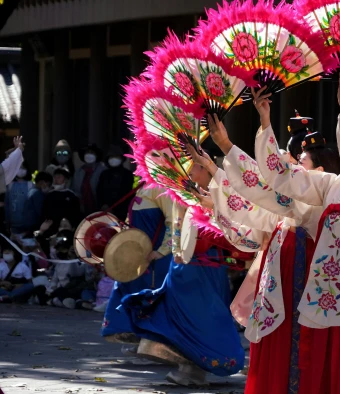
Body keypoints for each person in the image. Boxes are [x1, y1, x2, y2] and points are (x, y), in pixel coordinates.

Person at [251, 70, 340, 394]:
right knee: (322, 366)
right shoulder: (332, 185)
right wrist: (265, 122)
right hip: (325, 289)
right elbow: (283, 177)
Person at [187, 117, 339, 394]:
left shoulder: (317, 204)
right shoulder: (285, 212)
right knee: (274, 354)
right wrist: (213, 195)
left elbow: (260, 188)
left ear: (319, 173)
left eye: (299, 164)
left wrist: (224, 145)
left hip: (300, 293)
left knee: (295, 358)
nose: (292, 168)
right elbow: (248, 229)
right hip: (274, 296)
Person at [121, 154, 251, 387]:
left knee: (203, 317)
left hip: (207, 266)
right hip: (184, 264)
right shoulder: (185, 191)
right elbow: (177, 223)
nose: (189, 172)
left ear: (204, 167)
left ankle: (195, 370)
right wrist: (175, 249)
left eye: (194, 168)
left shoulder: (224, 193)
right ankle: (187, 366)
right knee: (178, 312)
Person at [101, 185, 175, 345]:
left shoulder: (161, 188)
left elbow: (174, 222)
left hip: (156, 257)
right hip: (137, 256)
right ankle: (137, 337)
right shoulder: (142, 188)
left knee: (153, 298)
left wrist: (162, 251)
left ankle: (157, 343)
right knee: (127, 289)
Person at [96, 146, 135, 220]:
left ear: (121, 159)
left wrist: (115, 207)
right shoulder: (104, 174)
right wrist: (103, 205)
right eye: (111, 157)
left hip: (122, 211)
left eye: (116, 156)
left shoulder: (127, 174)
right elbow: (99, 191)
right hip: (105, 210)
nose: (114, 159)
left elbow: (127, 192)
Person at [72, 143, 106, 214]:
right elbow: (75, 190)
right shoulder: (79, 172)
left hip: (99, 208)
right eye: (87, 153)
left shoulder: (103, 170)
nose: (89, 155)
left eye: (92, 153)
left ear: (96, 155)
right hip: (82, 208)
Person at [5, 163, 34, 237]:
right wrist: (7, 223)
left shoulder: (30, 185)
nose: (20, 170)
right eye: (18, 167)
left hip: (27, 227)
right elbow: (7, 206)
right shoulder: (10, 185)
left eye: (23, 168)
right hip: (13, 227)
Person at [23, 172, 53, 237]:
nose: (48, 186)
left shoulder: (31, 191)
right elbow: (40, 211)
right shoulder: (37, 194)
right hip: (34, 225)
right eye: (48, 184)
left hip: (28, 225)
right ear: (42, 182)